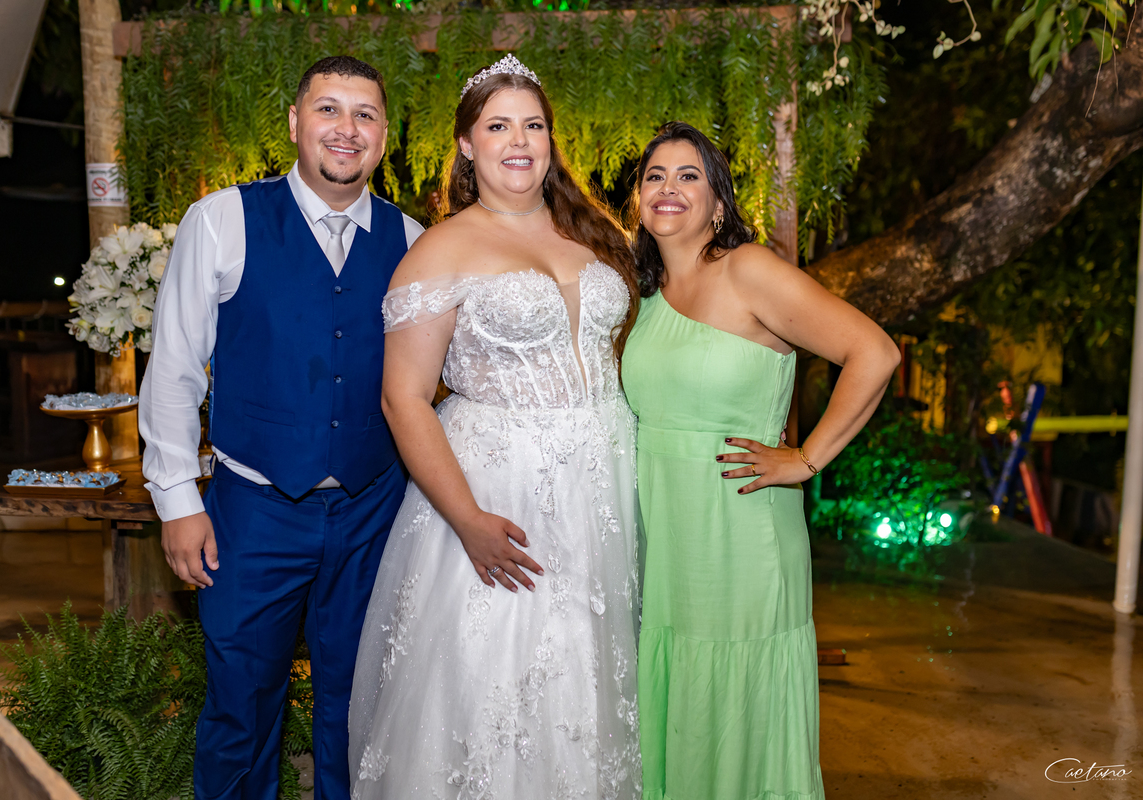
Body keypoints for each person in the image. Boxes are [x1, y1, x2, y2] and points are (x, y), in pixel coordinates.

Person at [347, 55, 642, 799]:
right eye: (499, 126)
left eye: (533, 125)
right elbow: (404, 399)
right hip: (496, 491)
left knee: (589, 678)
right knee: (497, 680)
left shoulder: (593, 236)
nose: (519, 141)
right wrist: (468, 520)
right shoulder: (441, 248)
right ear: (467, 145)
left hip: (602, 489)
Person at [139, 56, 424, 799]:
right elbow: (174, 367)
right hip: (253, 509)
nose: (346, 128)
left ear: (383, 136)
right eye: (329, 109)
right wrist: (178, 499)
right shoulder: (223, 220)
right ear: (296, 123)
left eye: (365, 114)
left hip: (374, 508)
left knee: (361, 709)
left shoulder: (412, 239)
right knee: (242, 706)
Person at [620, 121, 901, 800]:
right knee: (679, 693)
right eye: (655, 175)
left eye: (689, 176)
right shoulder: (642, 294)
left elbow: (875, 352)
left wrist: (806, 459)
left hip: (740, 530)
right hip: (668, 535)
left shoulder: (747, 270)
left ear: (719, 204)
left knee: (737, 697)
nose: (668, 188)